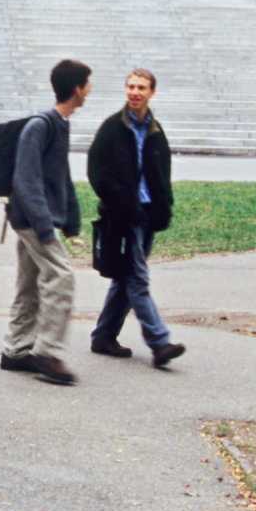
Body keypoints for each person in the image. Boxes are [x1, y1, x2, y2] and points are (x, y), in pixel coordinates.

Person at [86, 68, 186, 368]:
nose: (135, 92)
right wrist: (119, 199)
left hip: (147, 214)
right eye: (130, 86)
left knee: (125, 278)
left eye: (141, 87)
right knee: (137, 279)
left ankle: (103, 336)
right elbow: (96, 171)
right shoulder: (112, 128)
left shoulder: (155, 130)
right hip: (122, 215)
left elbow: (162, 173)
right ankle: (159, 342)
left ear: (151, 92)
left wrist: (163, 206)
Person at [0, 58, 90, 386]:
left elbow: (60, 177)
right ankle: (47, 352)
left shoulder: (60, 124)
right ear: (77, 89)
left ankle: (16, 349)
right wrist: (44, 225)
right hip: (31, 219)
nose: (89, 90)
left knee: (29, 283)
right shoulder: (40, 125)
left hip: (38, 218)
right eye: (87, 84)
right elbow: (27, 179)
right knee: (61, 276)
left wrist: (72, 221)